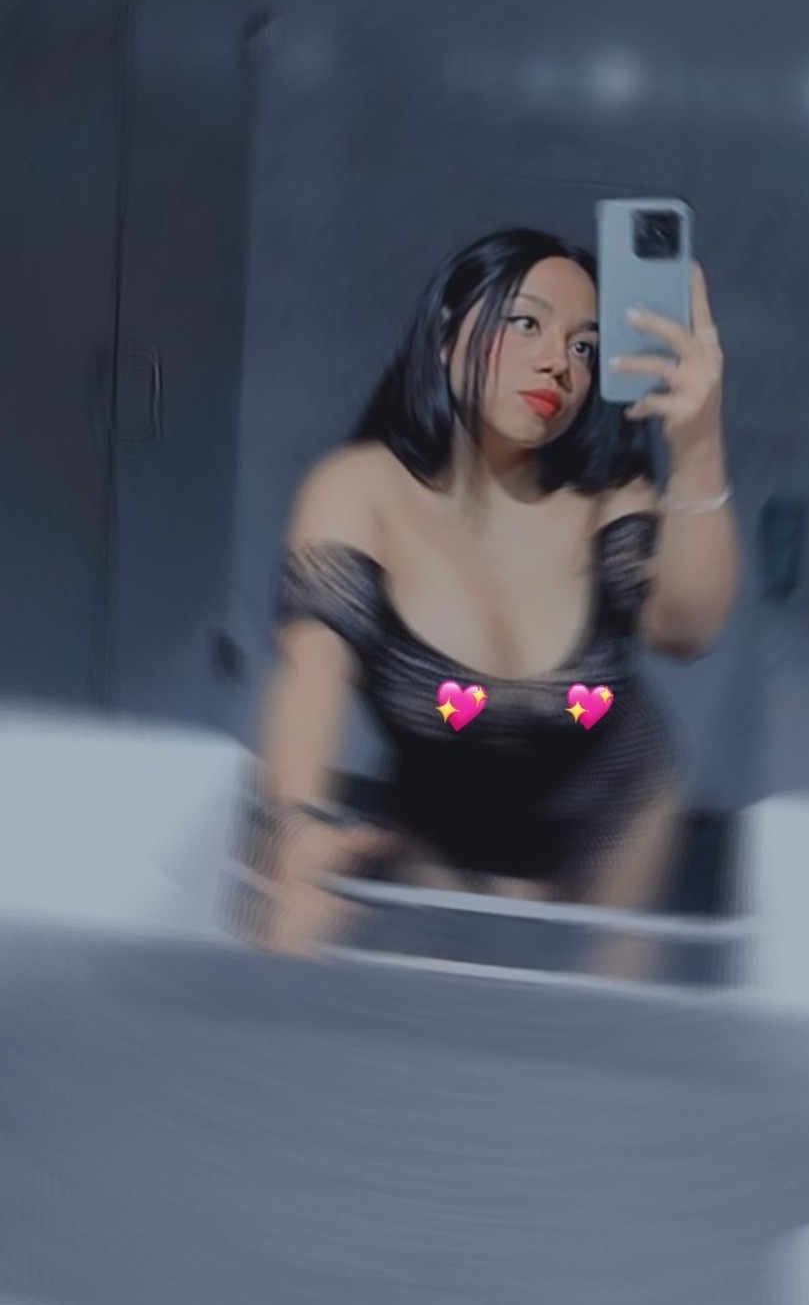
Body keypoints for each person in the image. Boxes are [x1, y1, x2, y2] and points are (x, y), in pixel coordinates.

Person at [244, 227, 740, 968]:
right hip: (439, 834)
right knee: (394, 994)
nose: (558, 363)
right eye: (527, 322)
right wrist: (296, 829)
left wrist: (697, 445)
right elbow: (309, 673)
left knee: (592, 1022)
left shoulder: (608, 498)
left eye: (584, 346)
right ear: (447, 337)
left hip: (614, 824)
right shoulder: (359, 492)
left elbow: (687, 630)